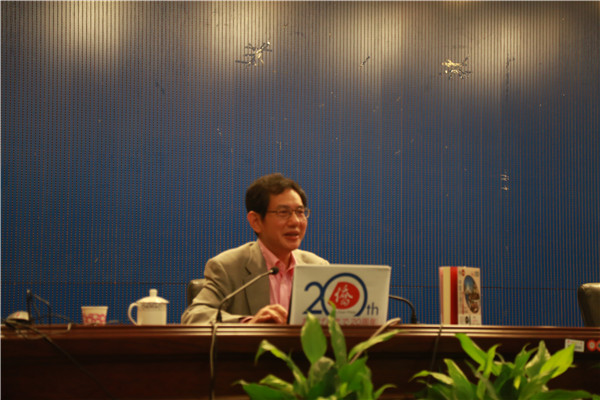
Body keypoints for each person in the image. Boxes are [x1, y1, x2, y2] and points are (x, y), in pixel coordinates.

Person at [181, 173, 328, 324]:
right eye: (283, 212)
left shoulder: (318, 267)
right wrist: (248, 324)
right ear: (255, 221)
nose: (295, 221)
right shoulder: (228, 267)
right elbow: (194, 316)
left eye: (300, 212)